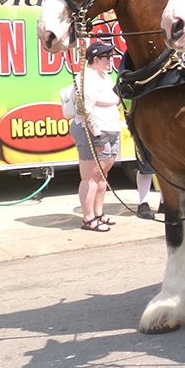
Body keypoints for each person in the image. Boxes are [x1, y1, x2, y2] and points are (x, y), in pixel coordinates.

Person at [70, 41, 122, 232]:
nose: (111, 61)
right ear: (96, 59)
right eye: (108, 57)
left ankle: (98, 213)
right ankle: (88, 219)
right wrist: (97, 134)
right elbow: (84, 110)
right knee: (90, 178)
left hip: (111, 128)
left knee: (102, 176)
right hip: (92, 131)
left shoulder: (106, 77)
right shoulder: (86, 78)